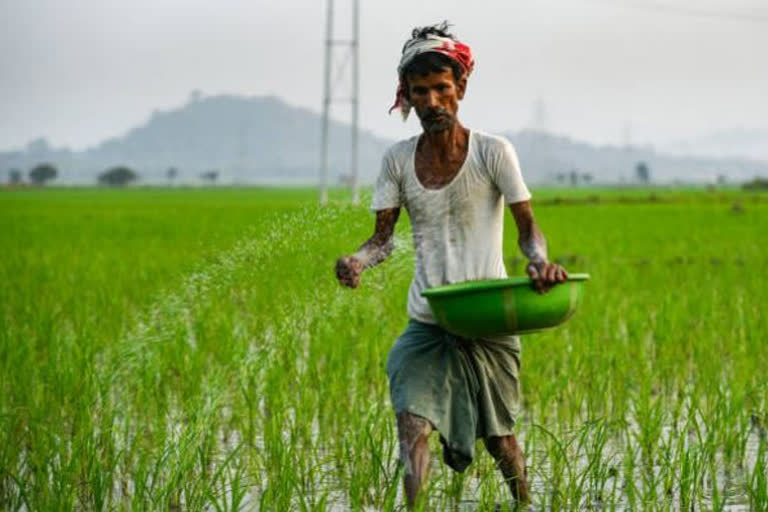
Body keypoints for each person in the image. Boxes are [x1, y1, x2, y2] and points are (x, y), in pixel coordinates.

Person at [335, 22, 568, 509]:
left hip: (488, 317)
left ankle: (525, 504)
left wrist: (539, 263)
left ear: (460, 88)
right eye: (421, 92)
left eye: (443, 88)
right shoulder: (398, 160)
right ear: (409, 96)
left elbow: (528, 229)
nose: (434, 101)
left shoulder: (492, 152)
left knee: (499, 438)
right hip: (429, 319)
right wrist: (357, 261)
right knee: (411, 425)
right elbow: (381, 241)